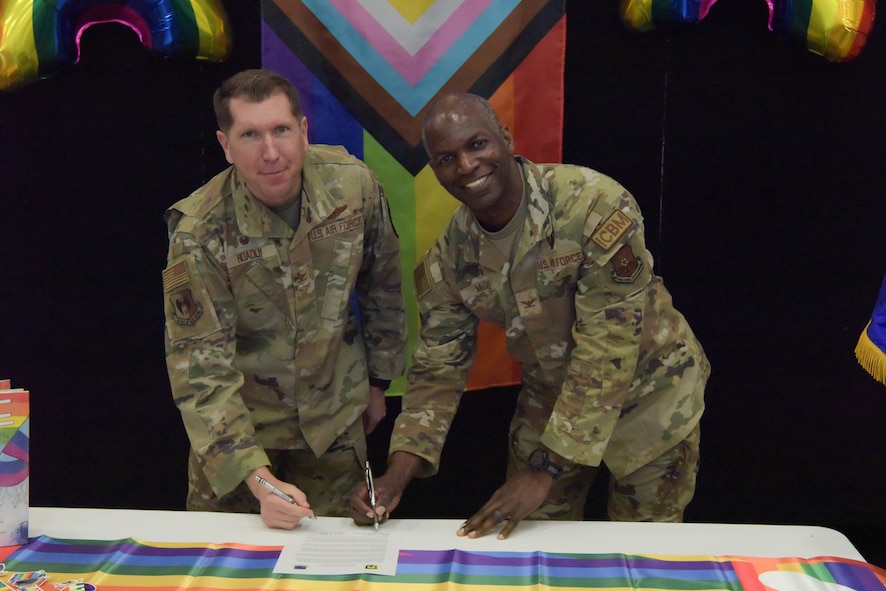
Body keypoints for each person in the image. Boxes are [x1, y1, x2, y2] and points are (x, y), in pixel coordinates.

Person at [350, 92, 709, 539]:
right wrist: (394, 477)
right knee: (532, 551)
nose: (465, 166)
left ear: (505, 138)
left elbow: (608, 349)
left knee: (643, 555)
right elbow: (437, 373)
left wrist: (543, 470)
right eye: (446, 158)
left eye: (476, 145)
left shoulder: (592, 206)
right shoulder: (450, 259)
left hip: (651, 398)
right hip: (551, 404)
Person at [163, 69, 407, 529]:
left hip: (334, 427)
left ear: (303, 131)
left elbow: (384, 285)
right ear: (225, 145)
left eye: (281, 130)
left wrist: (379, 381)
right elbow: (200, 369)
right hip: (241, 438)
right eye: (250, 135)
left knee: (332, 568)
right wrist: (256, 478)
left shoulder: (352, 187)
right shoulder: (200, 232)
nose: (271, 152)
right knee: (225, 573)